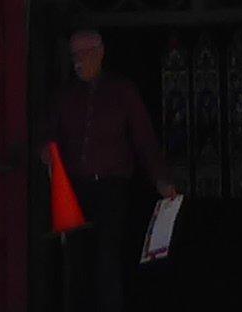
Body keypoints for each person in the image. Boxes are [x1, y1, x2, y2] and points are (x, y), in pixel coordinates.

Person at [42, 24, 178, 309]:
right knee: (74, 262)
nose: (79, 61)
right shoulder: (65, 97)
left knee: (107, 259)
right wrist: (46, 152)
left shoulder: (122, 92)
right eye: (74, 55)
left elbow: (144, 139)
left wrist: (161, 180)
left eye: (85, 53)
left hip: (111, 187)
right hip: (75, 190)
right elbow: (49, 136)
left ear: (101, 54)